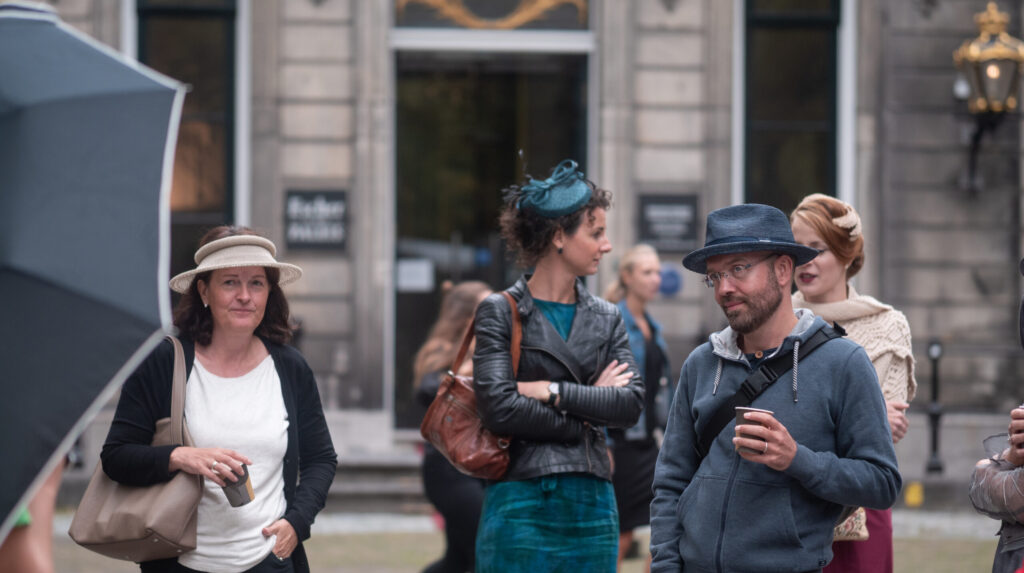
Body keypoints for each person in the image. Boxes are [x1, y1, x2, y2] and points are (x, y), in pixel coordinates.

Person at [649, 204, 901, 573]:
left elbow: (881, 482)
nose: (724, 289)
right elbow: (670, 482)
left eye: (738, 269)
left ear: (783, 270)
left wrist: (797, 459)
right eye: (715, 276)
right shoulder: (701, 364)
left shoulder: (844, 363)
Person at [101, 226, 338, 573]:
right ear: (204, 291)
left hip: (268, 562)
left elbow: (321, 460)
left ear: (269, 293)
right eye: (230, 282)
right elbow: (116, 457)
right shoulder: (165, 364)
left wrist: (297, 522)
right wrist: (182, 456)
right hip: (182, 562)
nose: (245, 295)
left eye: (256, 282)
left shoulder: (290, 367)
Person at [471, 159, 645, 572]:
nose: (606, 245)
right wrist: (586, 417)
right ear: (558, 237)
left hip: (594, 507)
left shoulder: (607, 316)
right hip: (520, 501)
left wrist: (552, 391)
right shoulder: (500, 310)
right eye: (596, 232)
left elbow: (631, 404)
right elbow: (498, 408)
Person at [789, 193, 917, 572]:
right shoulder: (774, 321)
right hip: (788, 502)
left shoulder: (888, 326)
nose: (805, 261)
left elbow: (883, 435)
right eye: (797, 249)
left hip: (863, 508)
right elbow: (874, 422)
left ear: (847, 253)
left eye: (818, 248)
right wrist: (868, 417)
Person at [413, 280, 492, 573]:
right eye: (488, 306)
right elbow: (427, 391)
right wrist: (473, 362)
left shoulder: (493, 347)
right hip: (448, 470)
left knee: (458, 559)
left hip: (481, 464)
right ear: (466, 315)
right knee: (482, 551)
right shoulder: (442, 349)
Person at [603, 244, 672, 573]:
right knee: (622, 533)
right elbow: (599, 384)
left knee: (668, 526)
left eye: (658, 271)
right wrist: (604, 442)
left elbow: (662, 390)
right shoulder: (612, 321)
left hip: (649, 442)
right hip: (621, 442)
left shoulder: (653, 327)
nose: (655, 279)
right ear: (627, 277)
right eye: (647, 272)